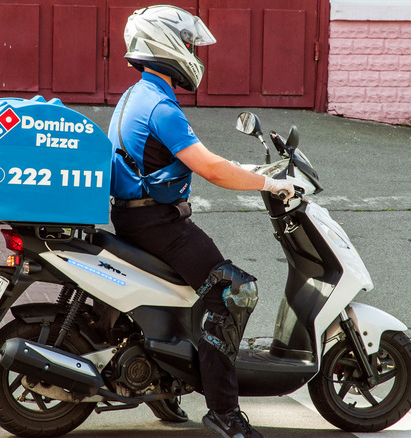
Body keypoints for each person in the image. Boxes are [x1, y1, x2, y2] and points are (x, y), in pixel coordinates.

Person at [108, 5, 293, 438]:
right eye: (188, 44)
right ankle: (225, 412)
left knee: (196, 293)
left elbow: (200, 157)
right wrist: (267, 184)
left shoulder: (140, 94)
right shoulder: (160, 105)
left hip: (139, 218)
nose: (193, 52)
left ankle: (164, 386)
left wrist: (251, 172)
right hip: (158, 224)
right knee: (233, 291)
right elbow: (209, 169)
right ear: (165, 46)